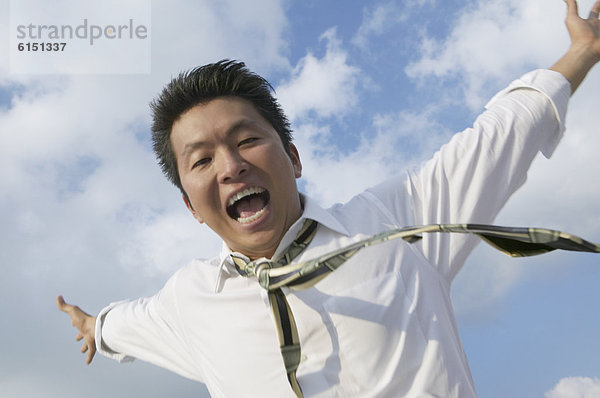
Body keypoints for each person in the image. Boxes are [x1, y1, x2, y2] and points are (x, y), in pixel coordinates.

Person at [57, 1, 600, 397]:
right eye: (201, 160)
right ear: (191, 207)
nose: (231, 166)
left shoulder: (396, 220)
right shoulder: (189, 300)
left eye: (247, 139)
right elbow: (123, 323)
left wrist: (582, 51)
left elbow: (502, 135)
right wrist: (94, 326)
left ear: (292, 160)